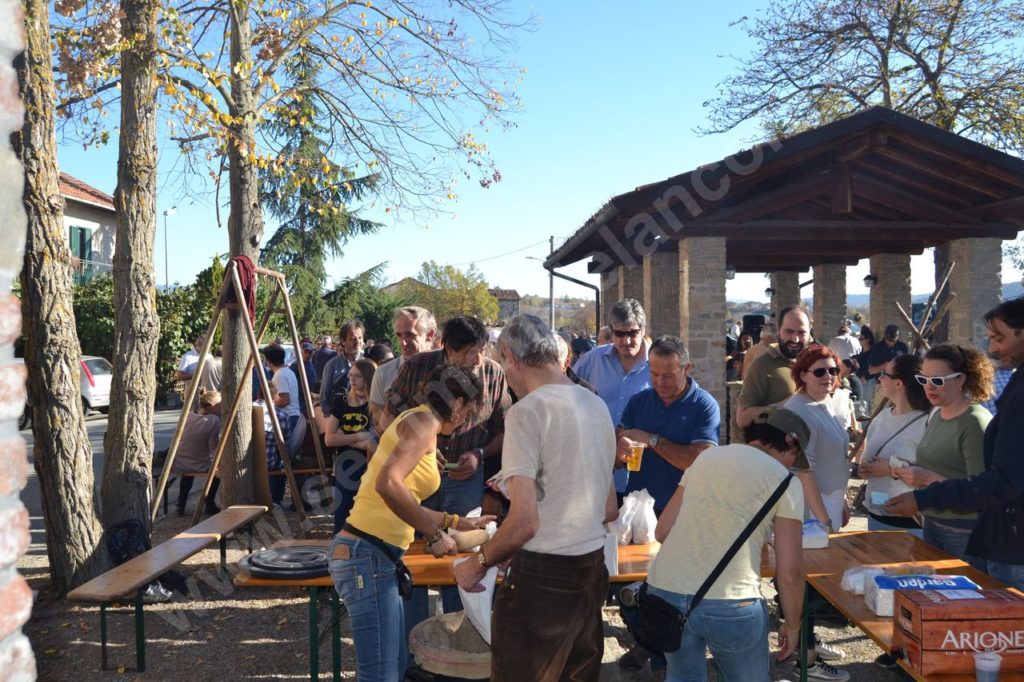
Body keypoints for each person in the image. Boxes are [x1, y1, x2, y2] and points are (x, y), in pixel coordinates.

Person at [453, 314, 617, 682]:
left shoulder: (526, 412)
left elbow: (526, 522)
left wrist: (478, 562)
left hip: (545, 578)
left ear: (509, 356)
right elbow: (608, 507)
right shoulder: (596, 405)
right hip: (591, 570)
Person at [327, 365, 494, 681]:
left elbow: (401, 502)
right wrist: (433, 535)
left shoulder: (417, 419)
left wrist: (458, 523)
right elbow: (388, 485)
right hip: (367, 554)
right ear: (457, 403)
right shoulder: (423, 423)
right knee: (381, 674)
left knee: (393, 667)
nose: (464, 420)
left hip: (373, 554)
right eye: (468, 410)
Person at [644, 408, 809, 682]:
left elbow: (663, 531)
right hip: (733, 602)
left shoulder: (706, 457)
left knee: (683, 677)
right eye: (794, 456)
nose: (792, 464)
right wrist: (793, 625)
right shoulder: (786, 483)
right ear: (789, 442)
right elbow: (790, 572)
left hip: (667, 590)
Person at [887, 299, 1024, 589]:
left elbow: (997, 482)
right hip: (986, 531)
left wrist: (925, 495)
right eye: (923, 379)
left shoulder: (977, 419)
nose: (993, 348)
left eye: (999, 338)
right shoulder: (939, 415)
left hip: (1000, 538)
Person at [386, 315, 512, 624]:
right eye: (467, 352)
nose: (476, 359)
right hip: (415, 481)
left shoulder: (494, 374)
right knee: (414, 555)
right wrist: (420, 451)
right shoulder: (417, 367)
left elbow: (504, 431)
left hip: (466, 483)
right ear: (446, 347)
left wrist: (479, 454)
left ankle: (457, 633)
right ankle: (415, 638)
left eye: (480, 350)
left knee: (461, 553)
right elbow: (387, 417)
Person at [882, 344, 992, 560]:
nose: (929, 387)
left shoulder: (974, 423)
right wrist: (909, 471)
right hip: (933, 522)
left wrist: (927, 478)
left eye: (938, 381)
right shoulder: (937, 414)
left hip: (962, 531)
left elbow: (982, 491)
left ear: (960, 380)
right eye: (924, 380)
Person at [616, 336, 720, 515]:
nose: (659, 382)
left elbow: (700, 462)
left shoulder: (704, 405)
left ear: (686, 369)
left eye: (668, 376)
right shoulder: (638, 402)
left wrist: (652, 440)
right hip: (636, 511)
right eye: (654, 374)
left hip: (683, 513)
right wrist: (620, 452)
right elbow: (615, 459)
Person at [572, 298, 652, 501]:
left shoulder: (657, 366)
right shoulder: (593, 359)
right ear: (611, 332)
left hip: (644, 475)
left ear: (643, 330)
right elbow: (567, 395)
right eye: (620, 334)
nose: (626, 341)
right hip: (596, 472)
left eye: (632, 333)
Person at [857, 354, 930, 534]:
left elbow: (933, 472)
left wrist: (891, 470)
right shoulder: (881, 417)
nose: (880, 378)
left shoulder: (928, 423)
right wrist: (864, 468)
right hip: (875, 516)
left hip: (909, 523)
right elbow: (869, 456)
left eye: (885, 374)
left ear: (898, 383)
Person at [736, 306, 812, 432]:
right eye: (789, 331)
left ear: (810, 332)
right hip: (781, 449)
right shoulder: (761, 365)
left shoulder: (815, 364)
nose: (795, 339)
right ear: (778, 331)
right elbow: (742, 419)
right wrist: (788, 404)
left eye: (801, 332)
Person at [325, 358, 378, 532]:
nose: (352, 380)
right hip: (346, 466)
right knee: (342, 515)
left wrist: (346, 436)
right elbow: (329, 439)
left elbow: (375, 444)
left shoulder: (376, 406)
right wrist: (359, 437)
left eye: (358, 376)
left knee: (367, 517)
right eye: (350, 375)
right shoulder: (342, 401)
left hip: (371, 466)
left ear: (369, 378)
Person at [368, 306, 436, 432]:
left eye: (410, 334)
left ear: (430, 335)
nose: (403, 343)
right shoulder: (383, 373)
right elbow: (379, 427)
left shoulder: (446, 371)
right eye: (399, 335)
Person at [171, 387, 223, 516]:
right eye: (220, 406)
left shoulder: (187, 415)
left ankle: (181, 504)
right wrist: (219, 463)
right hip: (199, 463)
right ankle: (209, 503)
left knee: (187, 476)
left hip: (180, 461)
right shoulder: (214, 420)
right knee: (216, 476)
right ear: (211, 407)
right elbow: (213, 447)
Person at [319, 320, 365, 429]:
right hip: (339, 423)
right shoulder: (332, 365)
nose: (357, 341)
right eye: (352, 338)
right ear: (343, 341)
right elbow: (324, 397)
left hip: (364, 421)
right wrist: (332, 421)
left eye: (360, 338)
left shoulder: (368, 364)